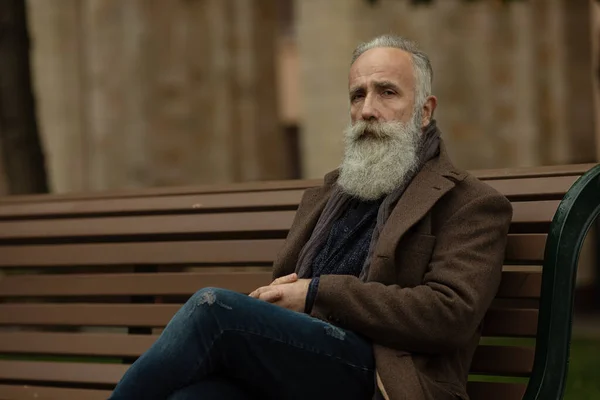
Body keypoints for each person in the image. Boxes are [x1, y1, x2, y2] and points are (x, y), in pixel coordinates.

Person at [109, 34, 512, 400]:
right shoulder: (327, 197)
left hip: (384, 375)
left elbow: (450, 315)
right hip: (303, 367)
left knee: (213, 310)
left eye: (387, 92)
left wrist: (318, 292)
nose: (368, 110)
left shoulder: (469, 203)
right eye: (358, 95)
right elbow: (293, 292)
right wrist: (278, 301)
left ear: (425, 111)